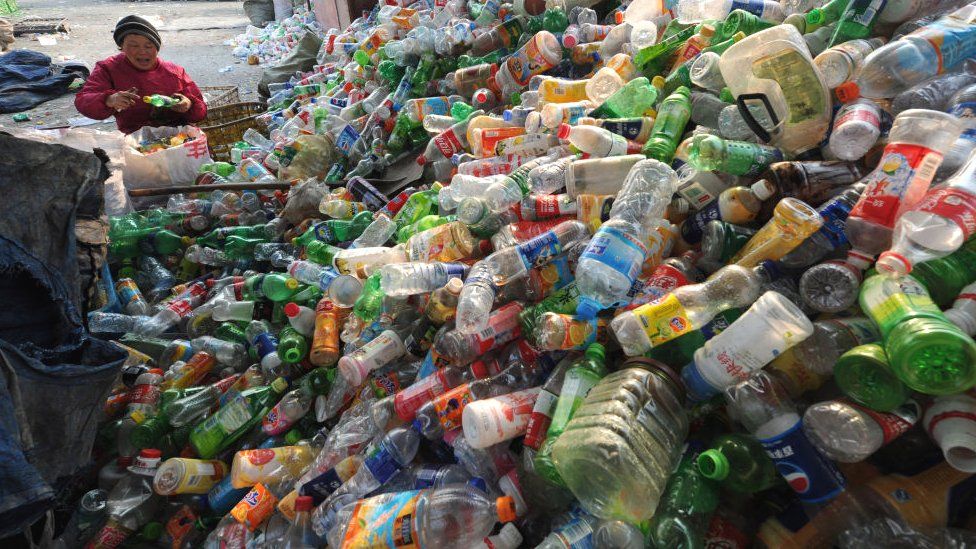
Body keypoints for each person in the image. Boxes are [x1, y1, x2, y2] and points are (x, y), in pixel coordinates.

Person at [75, 15, 207, 134]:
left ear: (157, 48)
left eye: (149, 46)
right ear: (122, 47)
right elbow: (83, 100)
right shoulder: (108, 68)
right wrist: (109, 100)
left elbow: (200, 111)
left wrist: (188, 105)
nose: (142, 52)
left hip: (178, 136)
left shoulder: (174, 72)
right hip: (135, 139)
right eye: (134, 46)